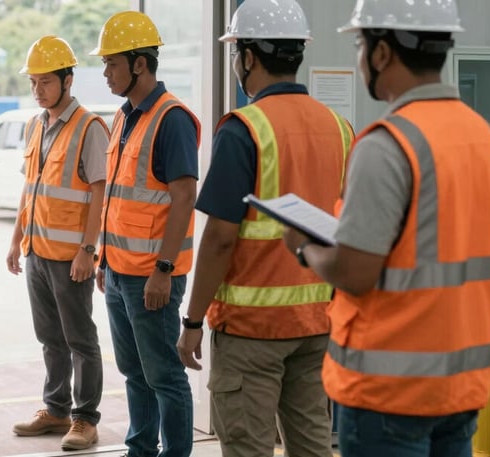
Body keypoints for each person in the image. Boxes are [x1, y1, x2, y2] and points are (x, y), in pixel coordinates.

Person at [281, 1, 490, 456]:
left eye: (361, 45)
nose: (361, 59)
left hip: (389, 394)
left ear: (382, 53)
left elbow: (355, 272)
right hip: (461, 386)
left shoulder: (388, 145)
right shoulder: (488, 138)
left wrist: (305, 247)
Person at [175, 1, 353, 456]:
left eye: (236, 52)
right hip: (318, 323)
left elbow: (219, 239)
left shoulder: (243, 129)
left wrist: (192, 321)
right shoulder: (340, 127)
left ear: (249, 57)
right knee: (312, 442)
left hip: (252, 330)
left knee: (247, 446)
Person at [90, 11, 200, 457]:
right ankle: (141, 449)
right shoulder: (123, 116)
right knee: (134, 373)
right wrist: (102, 259)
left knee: (165, 377)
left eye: (112, 63)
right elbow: (119, 197)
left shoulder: (170, 118)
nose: (105, 72)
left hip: (152, 276)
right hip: (118, 271)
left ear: (140, 64)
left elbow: (184, 198)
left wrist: (163, 270)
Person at [6, 35, 108, 451]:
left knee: (80, 338)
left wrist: (88, 250)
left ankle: (85, 418)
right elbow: (30, 189)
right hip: (36, 251)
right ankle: (56, 409)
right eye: (33, 82)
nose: (37, 90)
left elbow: (100, 193)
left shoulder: (90, 127)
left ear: (68, 80)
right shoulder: (36, 125)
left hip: (71, 258)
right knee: (49, 336)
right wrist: (16, 241)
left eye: (45, 81)